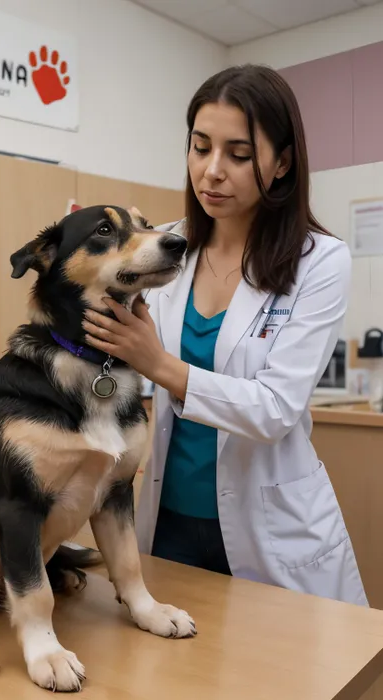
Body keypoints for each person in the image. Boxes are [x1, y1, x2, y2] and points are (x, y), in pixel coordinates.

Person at [83, 64, 367, 606]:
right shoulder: (164, 245)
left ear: (282, 162)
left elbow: (275, 410)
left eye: (238, 154)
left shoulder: (319, 261)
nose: (212, 171)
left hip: (271, 532)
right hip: (167, 518)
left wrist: (159, 364)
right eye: (200, 146)